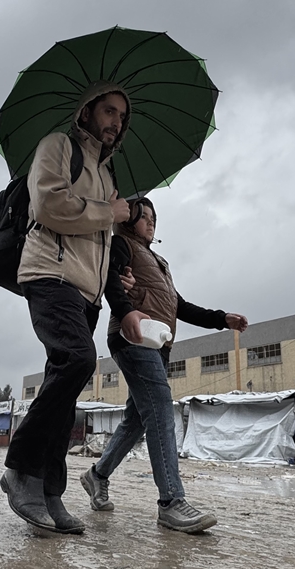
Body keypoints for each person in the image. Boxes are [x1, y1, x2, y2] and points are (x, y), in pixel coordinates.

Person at [0, 82, 133, 534]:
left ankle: (50, 492)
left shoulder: (109, 177)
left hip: (87, 292)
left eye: (121, 115)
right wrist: (109, 213)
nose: (115, 121)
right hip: (49, 273)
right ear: (88, 111)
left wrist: (118, 283)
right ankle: (20, 469)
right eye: (109, 111)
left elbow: (100, 240)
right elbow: (51, 204)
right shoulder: (58, 146)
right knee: (77, 360)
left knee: (68, 381)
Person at [82, 197, 248, 533]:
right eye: (146, 215)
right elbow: (109, 280)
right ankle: (171, 501)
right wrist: (126, 309)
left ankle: (96, 475)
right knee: (159, 408)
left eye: (155, 216)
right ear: (130, 219)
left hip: (158, 344)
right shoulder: (121, 245)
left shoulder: (158, 260)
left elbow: (179, 305)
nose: (152, 221)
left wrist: (221, 318)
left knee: (136, 421)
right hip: (134, 337)